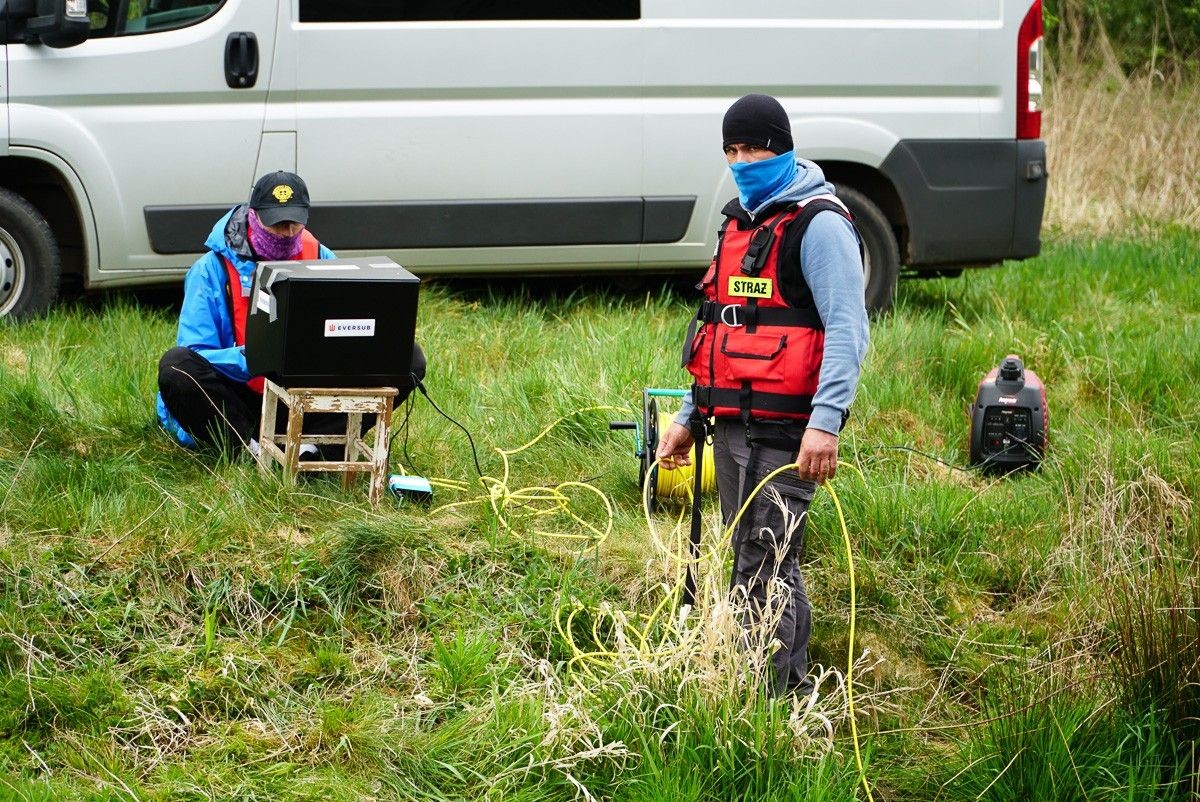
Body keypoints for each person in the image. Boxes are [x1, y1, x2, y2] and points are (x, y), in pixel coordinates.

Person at [655, 94, 869, 697]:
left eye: (754, 148)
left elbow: (850, 332)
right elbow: (722, 330)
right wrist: (688, 417)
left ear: (784, 147)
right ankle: (771, 691)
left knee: (765, 562)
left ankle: (776, 703)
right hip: (729, 425)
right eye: (731, 150)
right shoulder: (739, 224)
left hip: (790, 430)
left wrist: (825, 424)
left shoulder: (820, 226)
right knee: (754, 559)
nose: (742, 161)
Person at [156, 170, 426, 456]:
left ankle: (313, 444)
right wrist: (258, 357)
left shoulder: (322, 257)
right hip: (239, 397)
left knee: (409, 358)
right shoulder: (209, 270)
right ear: (253, 216)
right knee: (176, 366)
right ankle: (249, 447)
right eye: (278, 224)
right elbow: (196, 351)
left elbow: (347, 323)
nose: (287, 233)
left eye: (294, 223)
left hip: (309, 395)